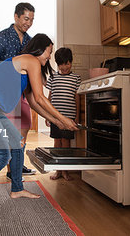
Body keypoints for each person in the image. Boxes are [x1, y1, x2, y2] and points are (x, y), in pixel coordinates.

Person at [0, 34, 78, 207]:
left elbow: (33, 102)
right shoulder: (30, 60)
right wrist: (62, 119)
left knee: (18, 142)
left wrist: (56, 121)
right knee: (2, 156)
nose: (49, 56)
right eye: (49, 51)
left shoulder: (28, 64)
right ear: (41, 48)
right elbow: (40, 98)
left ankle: (17, 188)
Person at [0, 2, 36, 179]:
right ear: (16, 17)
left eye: (31, 20)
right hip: (3, 93)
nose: (28, 23)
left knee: (25, 126)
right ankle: (10, 170)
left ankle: (18, 164)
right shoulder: (0, 37)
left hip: (20, 92)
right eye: (26, 19)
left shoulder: (30, 41)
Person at [45, 47, 81, 181]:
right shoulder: (53, 77)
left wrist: (77, 116)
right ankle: (58, 170)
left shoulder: (76, 78)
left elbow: (77, 98)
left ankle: (65, 170)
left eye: (67, 63)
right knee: (57, 142)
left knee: (66, 142)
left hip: (69, 117)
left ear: (71, 62)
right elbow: (49, 96)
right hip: (55, 118)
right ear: (57, 64)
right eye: (61, 64)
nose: (64, 67)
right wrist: (47, 115)